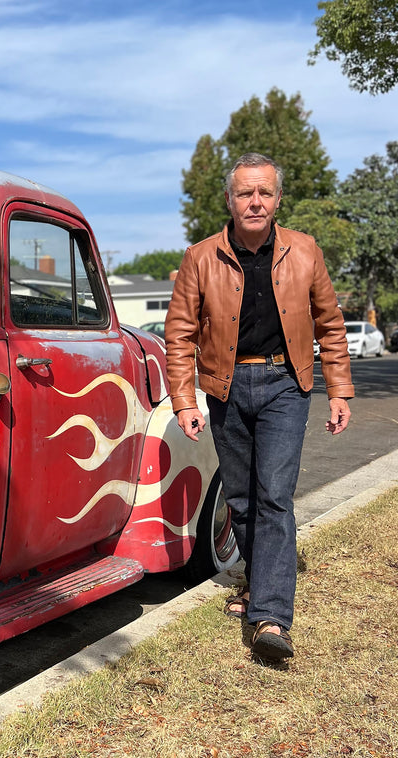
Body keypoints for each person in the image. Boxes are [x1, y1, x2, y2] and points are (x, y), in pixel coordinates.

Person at [164, 152, 353, 661]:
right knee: (242, 499)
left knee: (274, 496)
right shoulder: (201, 257)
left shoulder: (304, 251)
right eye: (245, 192)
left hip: (285, 384)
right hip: (225, 385)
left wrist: (339, 389)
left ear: (277, 199)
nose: (255, 201)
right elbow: (179, 334)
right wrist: (184, 399)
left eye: (264, 192)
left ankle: (271, 616)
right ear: (229, 199)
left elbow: (331, 325)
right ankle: (256, 583)